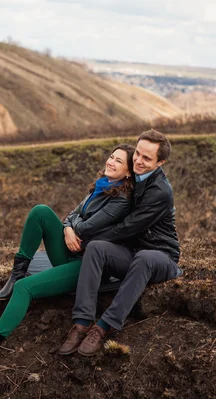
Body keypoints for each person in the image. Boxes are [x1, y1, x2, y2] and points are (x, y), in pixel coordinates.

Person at [0, 144, 135, 375]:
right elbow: (71, 215)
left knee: (24, 289)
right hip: (72, 249)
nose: (110, 162)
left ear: (128, 172)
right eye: (111, 157)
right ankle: (18, 270)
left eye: (119, 161)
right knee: (40, 211)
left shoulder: (122, 198)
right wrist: (69, 228)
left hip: (87, 265)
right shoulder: (101, 187)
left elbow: (89, 227)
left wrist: (70, 228)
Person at [59, 129, 182, 356]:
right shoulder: (132, 175)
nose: (138, 160)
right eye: (137, 153)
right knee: (97, 248)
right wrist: (69, 225)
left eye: (147, 158)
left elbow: (128, 227)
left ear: (160, 162)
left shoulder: (160, 191)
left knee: (143, 257)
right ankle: (82, 322)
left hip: (161, 256)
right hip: (132, 252)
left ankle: (105, 326)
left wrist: (85, 239)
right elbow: (94, 205)